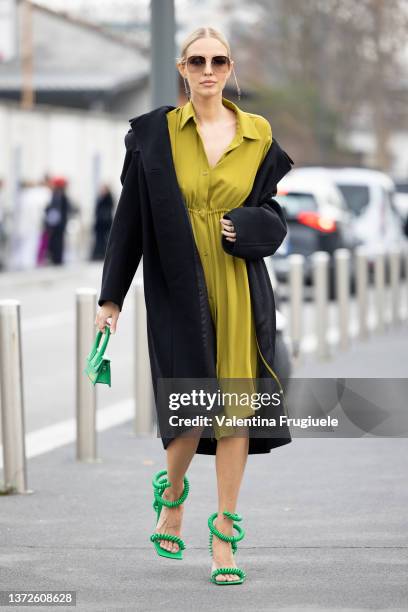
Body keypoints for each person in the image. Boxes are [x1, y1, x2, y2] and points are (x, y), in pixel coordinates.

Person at [95, 26, 294, 585]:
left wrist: (249, 224)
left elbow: (272, 211)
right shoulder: (154, 135)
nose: (209, 70)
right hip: (178, 284)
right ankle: (174, 493)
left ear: (231, 69)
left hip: (237, 283)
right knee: (188, 407)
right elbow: (129, 221)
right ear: (183, 68)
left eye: (220, 61)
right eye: (198, 60)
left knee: (235, 413)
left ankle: (225, 536)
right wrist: (112, 298)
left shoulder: (258, 134)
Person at [90, 184, 114, 260]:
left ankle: (104, 254)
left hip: (105, 223)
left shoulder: (109, 198)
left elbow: (108, 209)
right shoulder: (99, 198)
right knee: (99, 240)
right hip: (99, 224)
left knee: (105, 239)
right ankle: (98, 255)